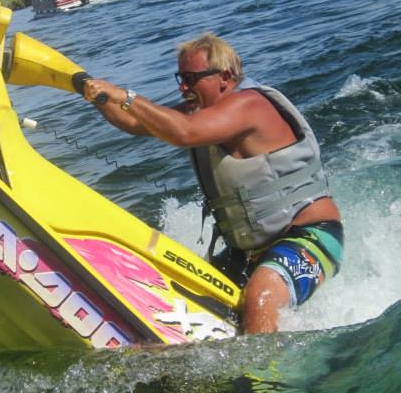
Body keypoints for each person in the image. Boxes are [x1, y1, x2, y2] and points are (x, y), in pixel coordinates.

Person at [83, 32, 343, 334]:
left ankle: (265, 379)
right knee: (180, 295)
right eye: (179, 78)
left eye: (191, 79)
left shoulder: (250, 105)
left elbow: (185, 133)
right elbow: (134, 122)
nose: (183, 87)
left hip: (310, 238)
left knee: (260, 296)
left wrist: (123, 95)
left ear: (225, 76)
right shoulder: (201, 112)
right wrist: (92, 91)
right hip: (246, 252)